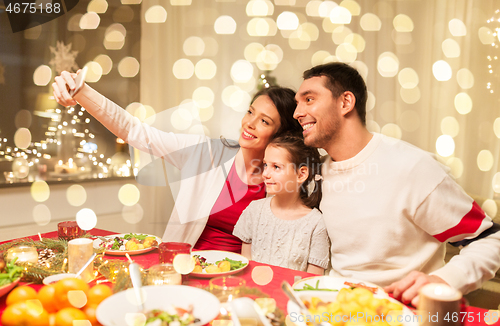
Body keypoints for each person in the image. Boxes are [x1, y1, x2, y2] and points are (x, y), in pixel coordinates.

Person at [293, 62, 500, 305]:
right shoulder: (316, 173)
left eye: (308, 99)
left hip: (401, 312)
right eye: (297, 103)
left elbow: (489, 239)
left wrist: (445, 280)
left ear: (345, 103)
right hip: (333, 309)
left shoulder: (413, 168)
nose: (297, 113)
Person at [52, 71, 303, 253]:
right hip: (186, 266)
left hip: (245, 275)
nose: (249, 123)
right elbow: (136, 131)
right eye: (250, 112)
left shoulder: (285, 180)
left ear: (281, 134)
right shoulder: (207, 154)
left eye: (264, 121)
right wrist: (82, 92)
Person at [233, 133, 330, 274]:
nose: (265, 173)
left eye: (276, 167)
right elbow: (245, 266)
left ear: (301, 174)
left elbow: (312, 280)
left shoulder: (316, 224)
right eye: (265, 165)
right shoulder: (254, 211)